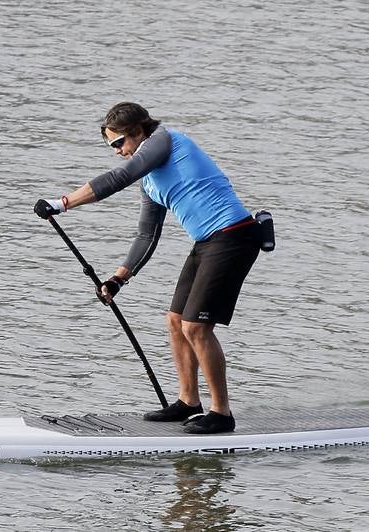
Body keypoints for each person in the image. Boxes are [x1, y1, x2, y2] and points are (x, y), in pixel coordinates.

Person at [33, 102, 262, 435]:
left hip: (233, 237)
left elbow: (119, 177)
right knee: (175, 321)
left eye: (118, 143)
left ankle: (222, 414)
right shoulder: (151, 180)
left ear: (139, 131)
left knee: (196, 327)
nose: (117, 152)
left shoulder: (165, 140)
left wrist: (63, 203)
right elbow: (146, 235)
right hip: (207, 243)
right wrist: (117, 279)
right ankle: (188, 402)